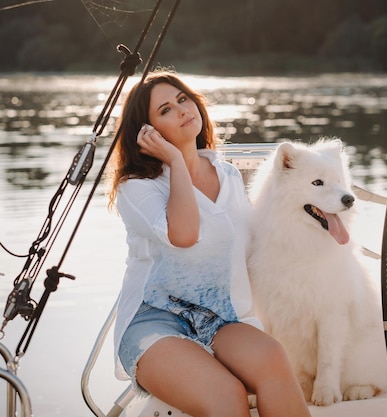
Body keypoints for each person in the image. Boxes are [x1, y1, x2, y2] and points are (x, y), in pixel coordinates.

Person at [107, 69, 311, 417]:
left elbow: (250, 248)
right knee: (226, 394)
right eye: (166, 110)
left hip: (221, 318)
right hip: (154, 321)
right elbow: (184, 236)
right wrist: (175, 160)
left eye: (183, 99)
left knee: (274, 361)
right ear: (148, 132)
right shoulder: (137, 186)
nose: (182, 110)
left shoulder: (228, 175)